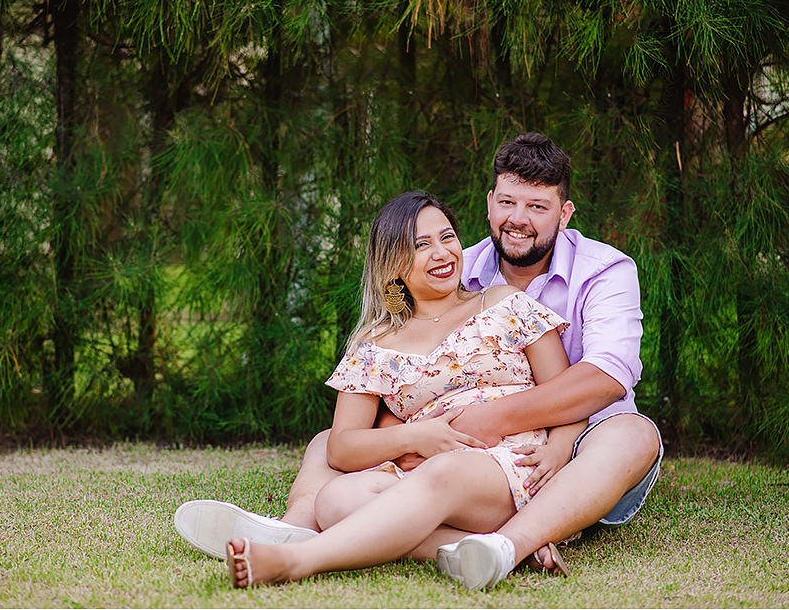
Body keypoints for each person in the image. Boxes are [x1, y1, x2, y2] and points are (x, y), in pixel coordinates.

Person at [176, 132, 664, 588]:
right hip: (439, 452)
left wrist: (510, 431)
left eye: (538, 206)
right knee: (335, 474)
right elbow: (387, 407)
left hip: (560, 448)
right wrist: (412, 437)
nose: (519, 217)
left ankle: (309, 558)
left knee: (628, 433)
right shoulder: (449, 278)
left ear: (564, 212)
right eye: (509, 202)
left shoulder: (588, 276)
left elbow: (601, 381)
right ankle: (298, 528)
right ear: (489, 205)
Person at [218, 190, 581, 586]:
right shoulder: (376, 344)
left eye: (447, 237)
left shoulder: (507, 305)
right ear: (392, 265)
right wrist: (418, 436)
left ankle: (297, 560)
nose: (441, 253)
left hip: (507, 467)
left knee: (445, 471)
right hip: (421, 471)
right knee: (336, 501)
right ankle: (493, 548)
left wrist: (558, 452)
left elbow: (565, 398)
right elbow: (342, 446)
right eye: (421, 245)